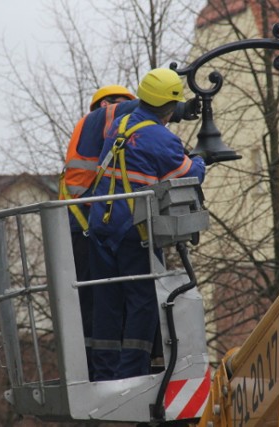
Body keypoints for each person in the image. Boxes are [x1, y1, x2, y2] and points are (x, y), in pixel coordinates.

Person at [59, 82, 201, 381]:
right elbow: (186, 173)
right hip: (131, 227)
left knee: (105, 301)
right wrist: (200, 159)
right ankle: (132, 372)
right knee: (142, 299)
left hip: (98, 225)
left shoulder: (117, 127)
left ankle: (103, 371)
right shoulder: (130, 125)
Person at [59, 84, 136, 381]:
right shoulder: (99, 119)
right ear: (105, 104)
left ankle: (105, 366)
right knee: (97, 302)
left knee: (103, 300)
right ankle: (98, 370)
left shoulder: (110, 140)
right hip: (85, 227)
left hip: (91, 227)